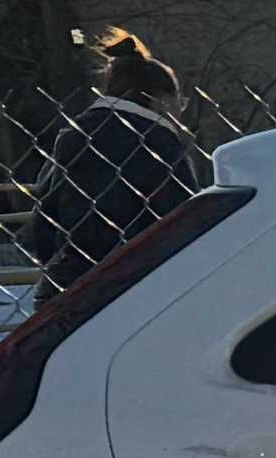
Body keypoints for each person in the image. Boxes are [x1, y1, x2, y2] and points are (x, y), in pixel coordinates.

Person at [27, 32, 211, 290]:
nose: (180, 111)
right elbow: (184, 220)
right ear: (157, 100)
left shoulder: (73, 135)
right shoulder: (159, 143)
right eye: (177, 101)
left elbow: (43, 221)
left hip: (70, 283)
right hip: (141, 281)